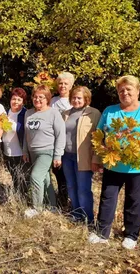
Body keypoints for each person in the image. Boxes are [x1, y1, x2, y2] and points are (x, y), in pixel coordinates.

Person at [88, 75, 140, 250]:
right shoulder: (110, 111)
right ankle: (102, 233)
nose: (124, 93)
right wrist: (99, 154)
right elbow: (99, 134)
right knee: (107, 198)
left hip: (139, 166)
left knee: (135, 200)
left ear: (137, 91)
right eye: (121, 90)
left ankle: (131, 236)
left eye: (128, 89)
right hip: (113, 164)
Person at [23, 84, 66, 218]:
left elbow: (61, 134)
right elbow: (26, 134)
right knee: (45, 179)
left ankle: (37, 208)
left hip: (47, 151)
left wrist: (58, 155)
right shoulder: (28, 113)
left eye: (41, 97)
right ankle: (52, 205)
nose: (38, 100)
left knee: (35, 177)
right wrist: (25, 151)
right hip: (32, 152)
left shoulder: (53, 113)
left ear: (47, 98)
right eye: (35, 97)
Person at [61, 86, 101, 224]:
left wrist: (96, 158)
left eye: (79, 98)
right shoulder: (65, 113)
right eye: (73, 97)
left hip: (83, 158)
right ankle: (76, 214)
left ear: (86, 99)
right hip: (67, 156)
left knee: (83, 189)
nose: (76, 100)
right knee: (71, 186)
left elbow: (99, 138)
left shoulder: (94, 113)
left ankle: (88, 219)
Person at [50, 71, 75, 209]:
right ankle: (62, 200)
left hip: (69, 143)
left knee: (68, 174)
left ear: (71, 85)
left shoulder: (74, 100)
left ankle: (70, 201)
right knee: (58, 173)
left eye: (66, 83)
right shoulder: (53, 101)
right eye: (60, 83)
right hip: (53, 142)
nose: (63, 86)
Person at [2, 88, 28, 196]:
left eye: (19, 99)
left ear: (23, 102)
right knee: (13, 175)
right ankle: (17, 196)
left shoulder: (25, 114)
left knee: (22, 176)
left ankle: (24, 197)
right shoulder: (4, 113)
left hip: (20, 152)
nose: (16, 102)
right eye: (14, 99)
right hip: (7, 151)